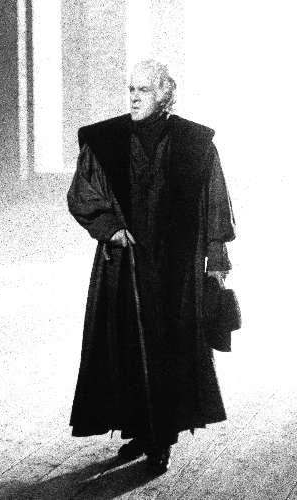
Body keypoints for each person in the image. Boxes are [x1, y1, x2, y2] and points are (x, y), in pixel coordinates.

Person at [67, 59, 235, 474]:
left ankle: (161, 438)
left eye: (143, 90)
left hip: (175, 270)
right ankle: (142, 431)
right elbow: (81, 193)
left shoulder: (195, 143)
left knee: (168, 350)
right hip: (125, 267)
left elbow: (215, 201)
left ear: (164, 94)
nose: (134, 97)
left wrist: (216, 260)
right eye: (131, 89)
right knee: (127, 348)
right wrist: (110, 228)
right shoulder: (106, 140)